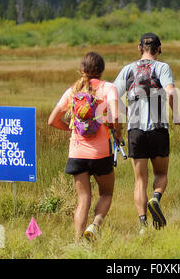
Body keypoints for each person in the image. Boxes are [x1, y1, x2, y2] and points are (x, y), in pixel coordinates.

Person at [48, 52, 121, 242]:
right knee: (106, 193)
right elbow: (114, 117)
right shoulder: (108, 88)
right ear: (102, 70)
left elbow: (52, 120)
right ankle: (94, 226)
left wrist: (71, 130)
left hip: (77, 152)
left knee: (83, 200)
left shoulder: (72, 90)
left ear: (82, 69)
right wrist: (117, 133)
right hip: (101, 153)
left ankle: (77, 242)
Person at [114, 33, 180, 233]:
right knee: (161, 173)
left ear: (139, 48)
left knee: (140, 180)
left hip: (135, 130)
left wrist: (126, 113)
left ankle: (143, 225)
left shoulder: (128, 69)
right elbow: (170, 91)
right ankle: (156, 199)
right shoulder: (162, 67)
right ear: (159, 49)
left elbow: (112, 97)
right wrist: (176, 114)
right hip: (158, 129)